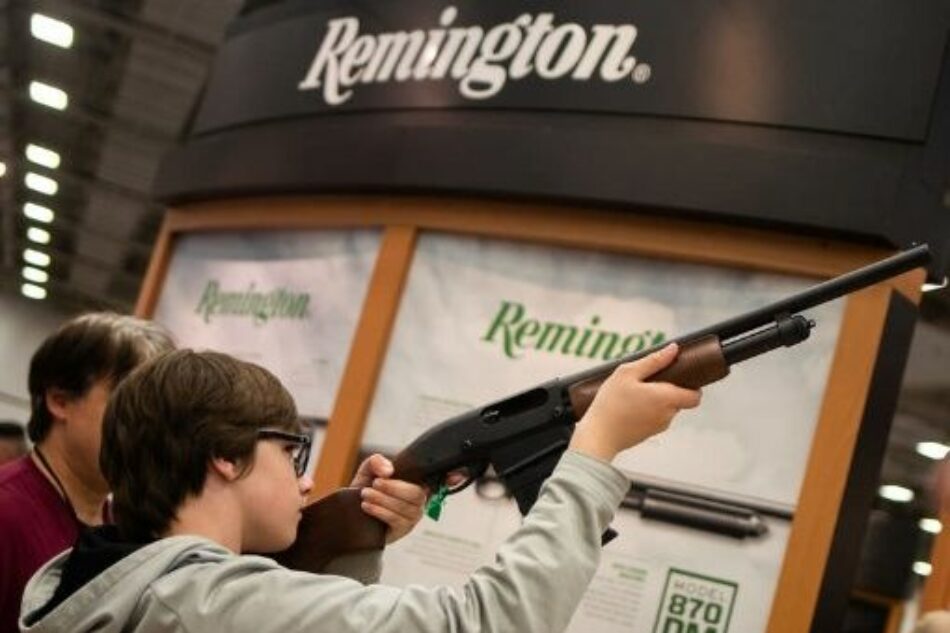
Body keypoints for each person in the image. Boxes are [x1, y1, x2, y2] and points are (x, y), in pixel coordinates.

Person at [19, 344, 701, 632]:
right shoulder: (199, 603)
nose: (307, 477)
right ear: (224, 458)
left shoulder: (107, 580)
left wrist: (355, 530)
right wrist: (594, 450)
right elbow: (484, 623)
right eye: (291, 450)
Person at [6, 316, 428, 633]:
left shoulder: (111, 533)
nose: (148, 414)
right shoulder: (10, 514)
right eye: (129, 392)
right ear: (60, 401)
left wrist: (352, 529)